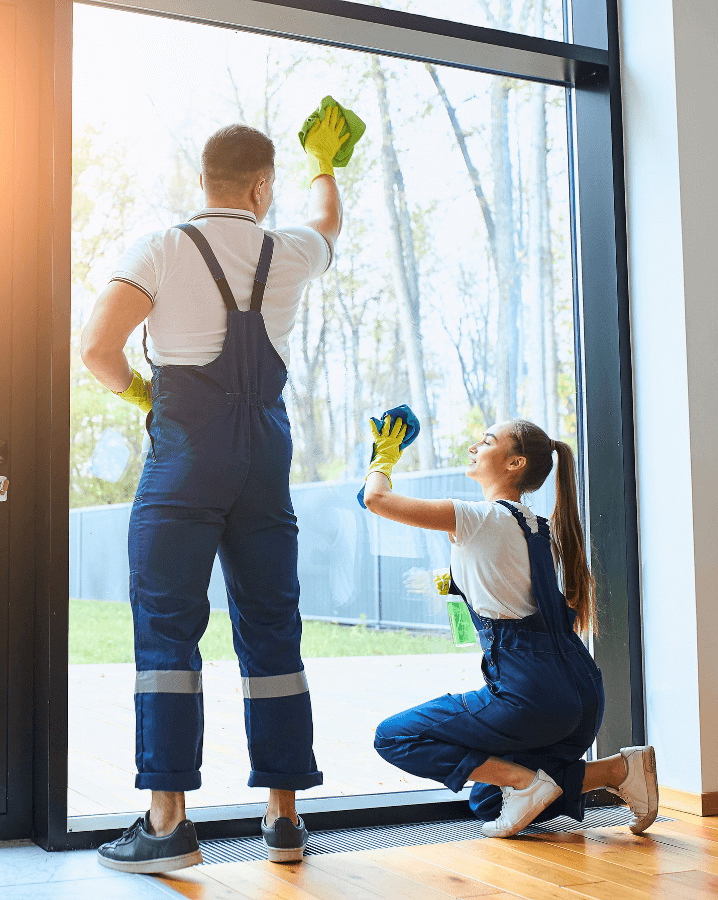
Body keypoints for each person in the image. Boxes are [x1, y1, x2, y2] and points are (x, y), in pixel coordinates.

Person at [81, 108, 354, 874]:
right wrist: (325, 161)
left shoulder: (162, 248)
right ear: (263, 188)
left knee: (169, 631)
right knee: (272, 628)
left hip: (186, 459)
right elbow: (329, 219)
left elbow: (97, 349)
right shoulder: (293, 249)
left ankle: (168, 826)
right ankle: (284, 818)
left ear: (206, 181)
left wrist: (144, 393)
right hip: (264, 458)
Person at [361, 416, 659, 838]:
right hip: (581, 690)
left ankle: (526, 782)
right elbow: (512, 584)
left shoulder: (479, 518)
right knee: (487, 800)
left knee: (394, 737)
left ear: (515, 463)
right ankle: (617, 769)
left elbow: (375, 499)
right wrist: (449, 583)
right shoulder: (537, 525)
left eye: (485, 441)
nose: (473, 448)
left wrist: (384, 456)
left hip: (531, 692)